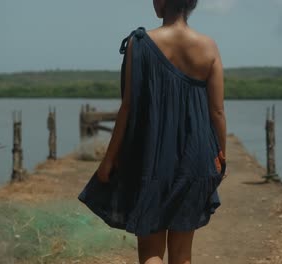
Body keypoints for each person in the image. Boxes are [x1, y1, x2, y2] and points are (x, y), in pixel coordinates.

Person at [78, 0, 227, 263]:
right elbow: (217, 112)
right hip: (196, 158)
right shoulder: (209, 46)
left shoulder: (140, 43)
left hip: (151, 160)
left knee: (150, 252)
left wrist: (109, 159)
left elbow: (128, 107)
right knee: (182, 255)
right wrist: (221, 155)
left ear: (161, 1)